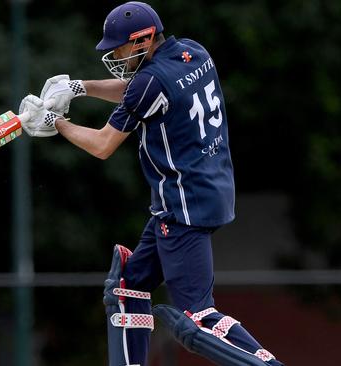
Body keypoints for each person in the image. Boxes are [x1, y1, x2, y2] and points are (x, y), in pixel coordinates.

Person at [19, 2, 283, 365]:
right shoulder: (192, 52)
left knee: (198, 319)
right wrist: (79, 88)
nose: (114, 54)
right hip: (210, 189)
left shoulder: (150, 82)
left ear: (143, 40)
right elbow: (138, 92)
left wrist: (55, 122)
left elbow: (101, 145)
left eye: (120, 47)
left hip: (182, 207)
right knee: (127, 288)